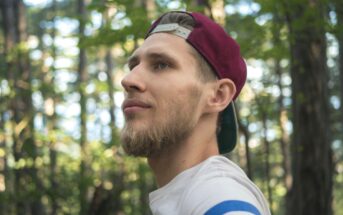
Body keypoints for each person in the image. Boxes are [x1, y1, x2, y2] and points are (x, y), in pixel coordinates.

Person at [120, 11, 271, 215]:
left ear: (218, 96)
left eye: (161, 64)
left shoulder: (219, 196)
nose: (128, 79)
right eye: (134, 65)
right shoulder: (188, 197)